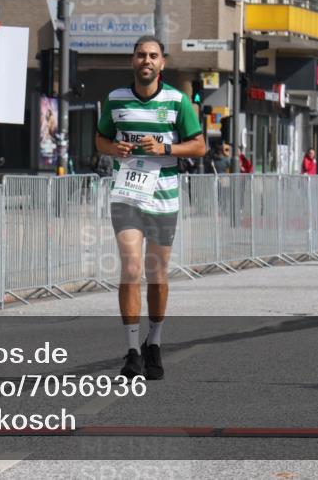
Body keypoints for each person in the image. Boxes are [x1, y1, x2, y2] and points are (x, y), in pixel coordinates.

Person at [95, 36, 206, 380]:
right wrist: (114, 149)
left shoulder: (177, 101)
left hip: (163, 198)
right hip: (126, 195)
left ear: (162, 63)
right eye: (141, 55)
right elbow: (99, 139)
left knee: (156, 273)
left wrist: (165, 149)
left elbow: (200, 146)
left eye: (153, 56)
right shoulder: (115, 100)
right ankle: (131, 352)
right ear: (133, 61)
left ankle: (153, 343)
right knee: (130, 269)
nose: (147, 60)